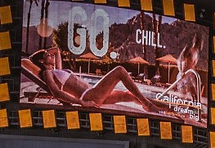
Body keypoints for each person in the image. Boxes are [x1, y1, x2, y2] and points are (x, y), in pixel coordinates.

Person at [29, 46, 164, 112]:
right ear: (42, 60)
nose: (51, 56)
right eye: (47, 56)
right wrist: (81, 102)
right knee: (120, 71)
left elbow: (57, 50)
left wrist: (45, 53)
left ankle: (164, 110)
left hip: (94, 93)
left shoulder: (56, 70)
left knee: (128, 96)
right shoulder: (47, 73)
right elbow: (57, 93)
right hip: (89, 96)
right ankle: (147, 104)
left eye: (49, 54)